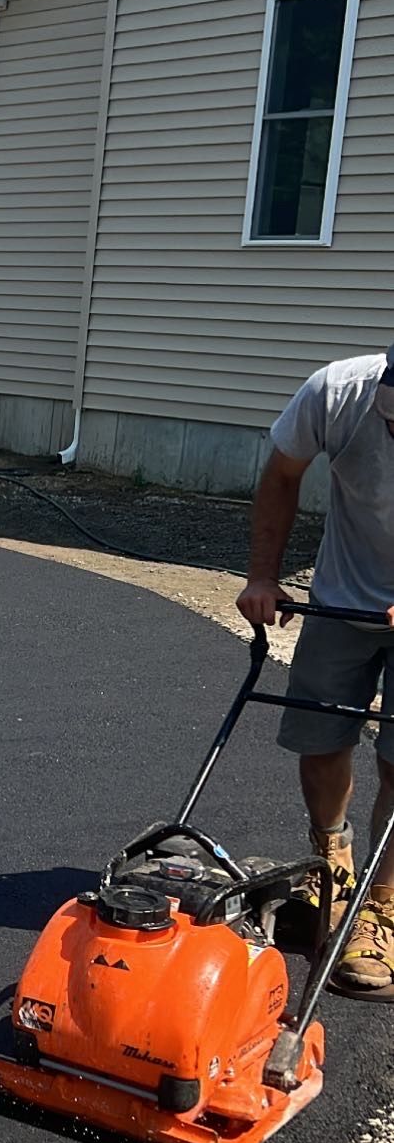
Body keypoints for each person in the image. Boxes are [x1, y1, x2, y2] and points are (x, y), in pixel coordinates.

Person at [237, 348, 394, 995]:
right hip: (341, 596)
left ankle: (382, 908)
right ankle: (332, 863)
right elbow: (281, 475)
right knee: (320, 738)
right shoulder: (338, 391)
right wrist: (264, 576)